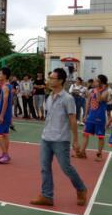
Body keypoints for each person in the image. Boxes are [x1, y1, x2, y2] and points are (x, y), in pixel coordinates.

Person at [30, 68, 87, 207]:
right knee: (45, 168)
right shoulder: (50, 97)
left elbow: (73, 120)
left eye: (52, 78)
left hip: (61, 139)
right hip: (46, 138)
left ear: (61, 80)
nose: (49, 80)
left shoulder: (67, 98)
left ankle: (81, 189)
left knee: (66, 167)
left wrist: (75, 140)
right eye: (49, 78)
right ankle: (47, 196)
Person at [77, 74, 109, 161]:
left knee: (100, 136)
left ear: (101, 82)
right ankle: (82, 152)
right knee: (85, 134)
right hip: (91, 116)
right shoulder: (91, 91)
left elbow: (99, 99)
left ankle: (99, 154)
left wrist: (97, 89)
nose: (94, 82)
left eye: (96, 80)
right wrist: (85, 115)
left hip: (100, 117)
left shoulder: (105, 92)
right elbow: (87, 103)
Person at [0, 67, 13, 164]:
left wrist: (1, 115)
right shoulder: (8, 86)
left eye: (0, 73)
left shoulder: (5, 87)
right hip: (7, 113)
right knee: (5, 134)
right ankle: (4, 153)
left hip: (3, 114)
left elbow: (5, 102)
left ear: (5, 75)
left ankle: (5, 155)